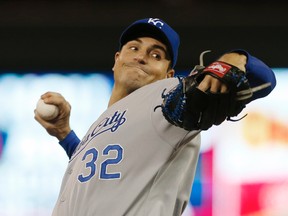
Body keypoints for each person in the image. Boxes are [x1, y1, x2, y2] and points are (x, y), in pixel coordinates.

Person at [34, 18, 276, 216]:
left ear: (167, 74)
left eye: (156, 55)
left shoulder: (164, 98)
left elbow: (263, 79)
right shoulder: (103, 123)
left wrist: (234, 59)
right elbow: (101, 169)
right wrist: (65, 134)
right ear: (117, 60)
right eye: (134, 48)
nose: (141, 57)